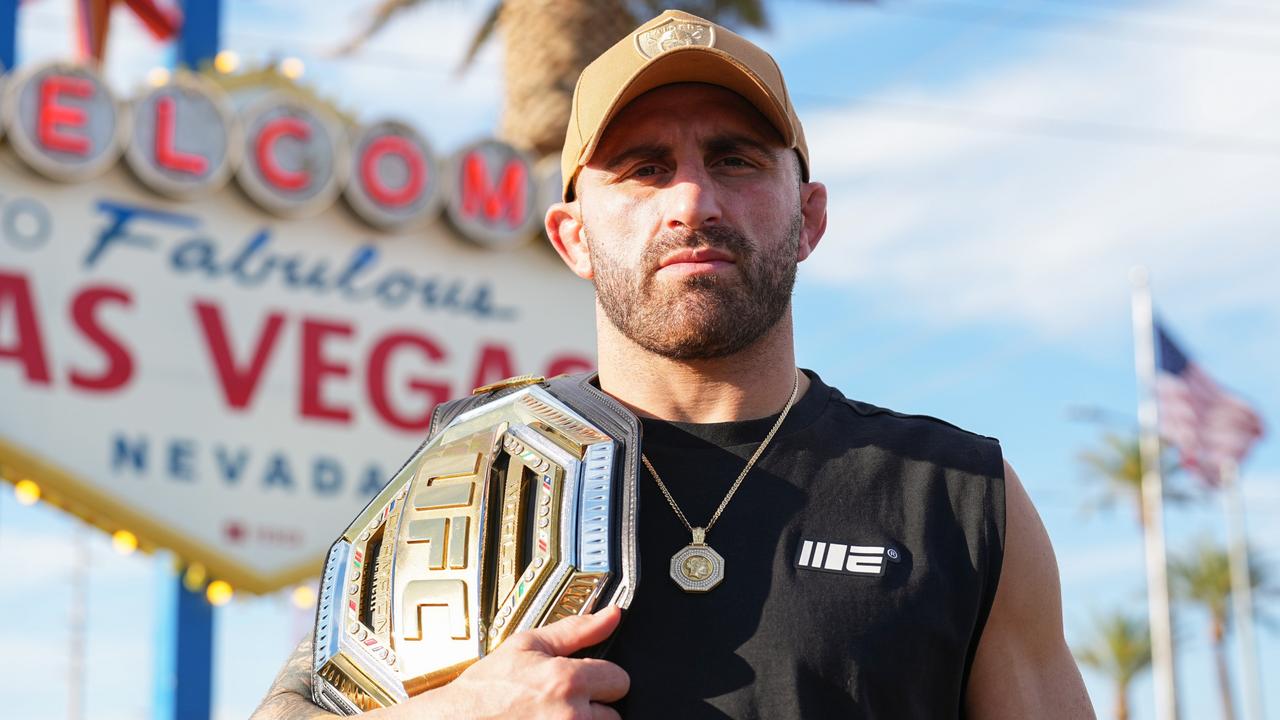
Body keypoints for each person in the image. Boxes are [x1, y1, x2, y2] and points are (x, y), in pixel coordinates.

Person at [253, 9, 1095, 720]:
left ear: (808, 217)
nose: (691, 201)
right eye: (643, 169)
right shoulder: (470, 479)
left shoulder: (957, 496)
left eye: (735, 159)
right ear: (573, 237)